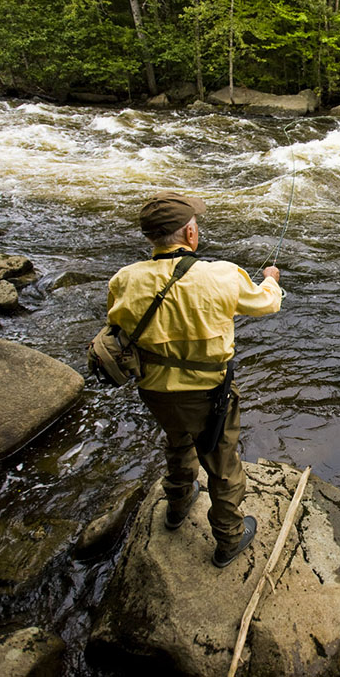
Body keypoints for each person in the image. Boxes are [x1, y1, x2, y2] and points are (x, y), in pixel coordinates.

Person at [106, 191, 283, 568]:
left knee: (177, 441)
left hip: (154, 392)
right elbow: (267, 303)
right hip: (208, 395)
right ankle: (228, 539)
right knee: (222, 464)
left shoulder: (124, 280)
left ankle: (178, 503)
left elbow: (117, 326)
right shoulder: (222, 275)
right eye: (195, 225)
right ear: (189, 234)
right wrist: (271, 279)